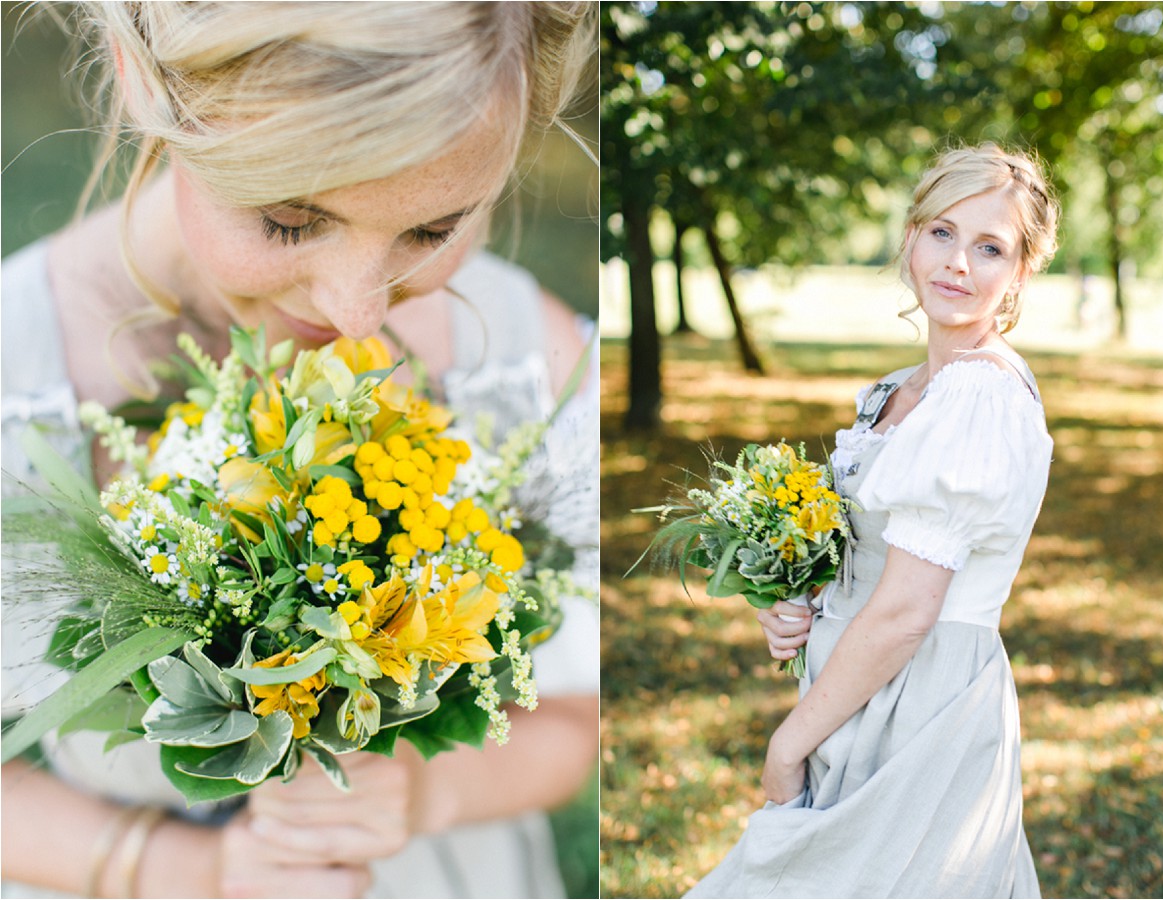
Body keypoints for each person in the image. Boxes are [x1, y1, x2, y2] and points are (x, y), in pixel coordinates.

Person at [0, 3, 599, 898]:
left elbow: (575, 719)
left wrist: (425, 793)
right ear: (140, 81)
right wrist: (195, 870)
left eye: (433, 229)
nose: (360, 317)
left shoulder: (525, 365)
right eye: (288, 217)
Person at [687, 143, 1059, 899]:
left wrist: (788, 746)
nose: (958, 263)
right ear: (911, 237)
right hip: (853, 690)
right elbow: (866, 564)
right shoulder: (896, 391)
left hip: (921, 705)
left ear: (1022, 271)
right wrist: (796, 602)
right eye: (942, 232)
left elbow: (905, 609)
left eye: (991, 247)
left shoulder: (977, 399)